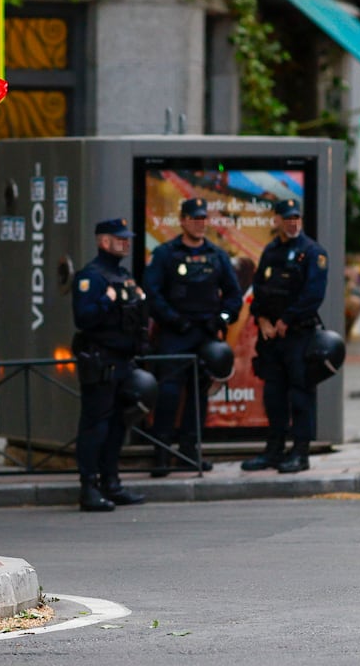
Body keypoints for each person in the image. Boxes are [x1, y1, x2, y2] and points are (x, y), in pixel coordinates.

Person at [142, 197, 243, 476]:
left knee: (199, 396)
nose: (200, 225)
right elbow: (152, 293)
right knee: (169, 394)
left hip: (206, 335)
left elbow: (234, 297)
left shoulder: (217, 255)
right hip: (175, 334)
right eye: (194, 219)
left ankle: (189, 452)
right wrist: (174, 320)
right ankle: (161, 453)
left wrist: (220, 320)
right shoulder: (165, 254)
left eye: (203, 219)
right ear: (183, 221)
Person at [241, 198, 329, 474]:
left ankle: (300, 452)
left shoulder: (313, 252)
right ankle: (274, 449)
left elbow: (313, 295)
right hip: (271, 337)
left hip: (298, 335)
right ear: (276, 220)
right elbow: (258, 289)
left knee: (300, 394)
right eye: (286, 218)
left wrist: (285, 321)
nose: (292, 223)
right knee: (273, 394)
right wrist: (263, 319)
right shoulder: (271, 251)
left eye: (296, 218)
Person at [70, 217, 149, 511]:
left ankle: (111, 483)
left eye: (127, 238)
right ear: (104, 241)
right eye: (120, 238)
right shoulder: (90, 277)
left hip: (124, 361)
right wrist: (106, 300)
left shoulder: (124, 274)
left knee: (118, 425)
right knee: (95, 426)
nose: (126, 242)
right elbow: (84, 318)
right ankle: (88, 487)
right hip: (100, 362)